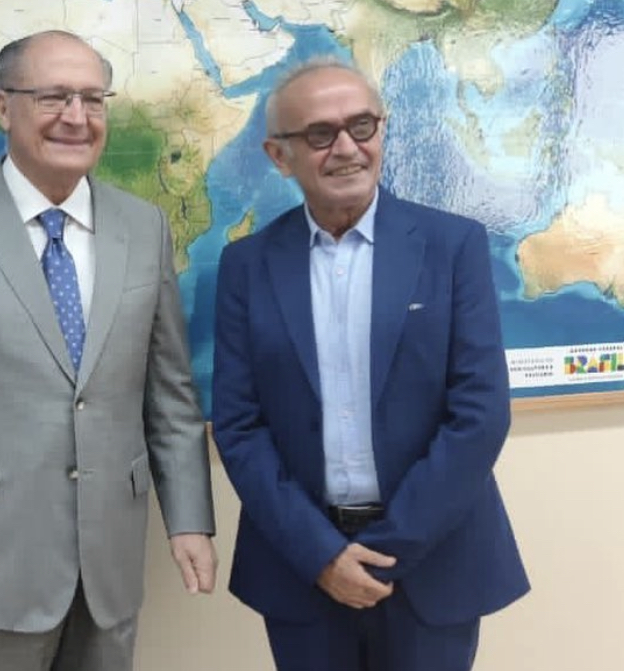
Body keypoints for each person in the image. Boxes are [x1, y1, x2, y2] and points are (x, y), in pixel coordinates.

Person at [0, 29, 217, 671]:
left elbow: (169, 392)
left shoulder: (145, 227)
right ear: (4, 107)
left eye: (93, 98)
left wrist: (190, 519)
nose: (76, 116)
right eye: (54, 97)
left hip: (110, 561)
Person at [211, 57, 529, 671]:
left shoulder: (453, 246)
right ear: (280, 156)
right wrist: (322, 555)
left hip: (435, 561)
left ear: (383, 131)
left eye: (362, 126)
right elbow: (239, 424)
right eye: (320, 134)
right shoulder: (247, 265)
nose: (347, 148)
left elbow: (480, 415)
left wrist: (387, 550)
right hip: (301, 565)